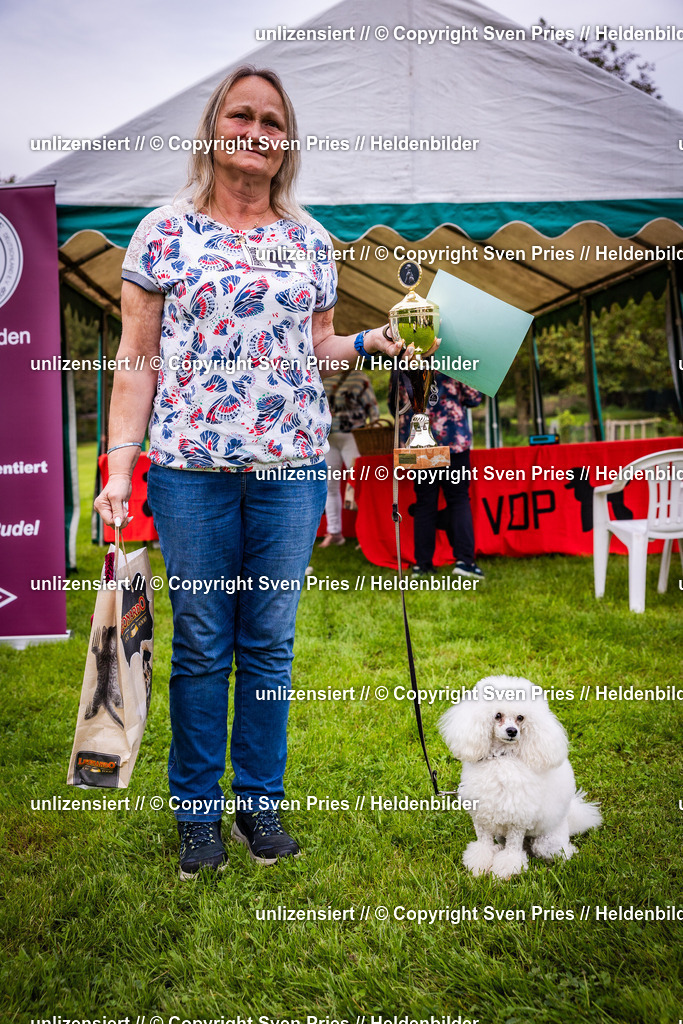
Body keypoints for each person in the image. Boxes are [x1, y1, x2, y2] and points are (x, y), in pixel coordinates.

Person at [94, 65, 405, 879]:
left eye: (272, 121)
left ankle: (258, 803)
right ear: (214, 129)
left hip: (291, 469)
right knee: (202, 643)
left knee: (268, 644)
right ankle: (197, 814)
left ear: (285, 141)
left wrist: (372, 341)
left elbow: (319, 347)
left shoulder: (310, 240)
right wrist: (120, 468)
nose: (257, 132)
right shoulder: (163, 231)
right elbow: (136, 359)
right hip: (190, 470)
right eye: (242, 116)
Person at [399, 371, 484, 578]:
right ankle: (465, 562)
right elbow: (474, 398)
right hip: (453, 438)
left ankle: (422, 565)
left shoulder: (404, 360)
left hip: (420, 441)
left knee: (424, 503)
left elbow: (397, 405)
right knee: (459, 500)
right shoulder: (456, 361)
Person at [319, 368, 379, 547]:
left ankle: (365, 534)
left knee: (358, 486)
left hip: (354, 436)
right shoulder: (323, 374)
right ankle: (334, 532)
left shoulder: (359, 377)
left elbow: (373, 409)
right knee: (330, 486)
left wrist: (373, 433)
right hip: (329, 439)